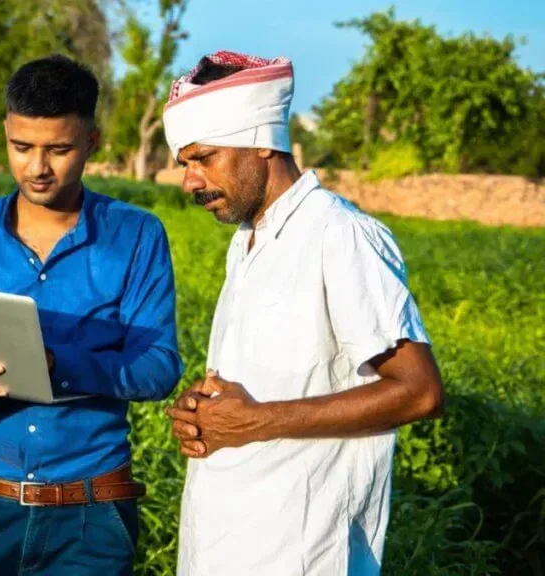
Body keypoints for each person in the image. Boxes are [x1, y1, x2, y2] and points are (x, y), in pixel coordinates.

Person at [161, 51, 446, 575]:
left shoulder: (339, 235)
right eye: (186, 164)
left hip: (302, 552)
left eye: (204, 158)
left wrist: (256, 421)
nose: (190, 182)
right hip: (224, 542)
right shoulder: (248, 240)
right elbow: (275, 379)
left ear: (261, 141)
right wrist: (206, 412)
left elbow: (419, 390)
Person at [0, 54, 183, 575]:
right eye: (22, 147)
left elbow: (159, 366)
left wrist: (57, 364)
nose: (37, 167)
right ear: (6, 134)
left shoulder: (136, 236)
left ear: (92, 142)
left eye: (59, 149)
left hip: (90, 518)